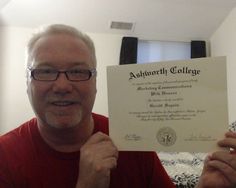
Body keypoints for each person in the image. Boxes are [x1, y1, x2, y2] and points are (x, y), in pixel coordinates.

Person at [0, 24, 236, 188]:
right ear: (27, 82)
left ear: (95, 83)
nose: (62, 85)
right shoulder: (5, 156)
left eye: (78, 71)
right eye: (46, 71)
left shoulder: (131, 139)